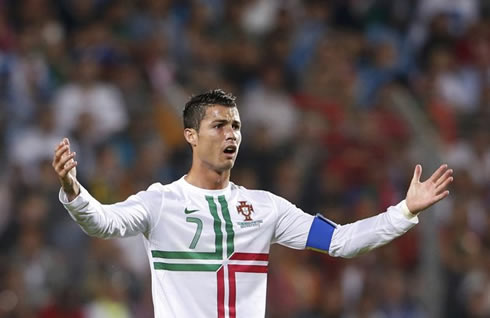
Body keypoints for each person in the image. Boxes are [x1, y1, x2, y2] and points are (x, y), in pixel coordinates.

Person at [52, 89, 453, 318]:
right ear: (191, 136)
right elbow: (103, 223)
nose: (232, 135)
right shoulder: (161, 202)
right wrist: (73, 190)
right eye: (219, 125)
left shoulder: (266, 208)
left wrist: (404, 211)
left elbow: (341, 241)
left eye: (237, 126)